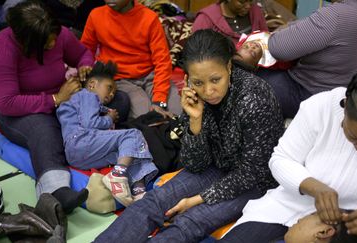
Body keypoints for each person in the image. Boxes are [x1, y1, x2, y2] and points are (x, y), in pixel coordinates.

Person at [94, 29, 284, 242]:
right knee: (154, 201)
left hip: (254, 181)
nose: (209, 91)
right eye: (198, 82)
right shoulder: (193, 95)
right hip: (215, 166)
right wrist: (195, 121)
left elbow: (252, 172)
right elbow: (195, 164)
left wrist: (196, 200)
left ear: (229, 67)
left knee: (189, 222)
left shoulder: (254, 99)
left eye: (215, 80)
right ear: (187, 79)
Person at [220, 66, 357, 242]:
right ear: (345, 108)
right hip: (288, 205)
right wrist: (314, 187)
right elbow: (281, 159)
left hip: (349, 229)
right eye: (353, 137)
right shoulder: (320, 107)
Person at [0, 0, 90, 213]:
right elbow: (6, 102)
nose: (53, 44)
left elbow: (83, 54)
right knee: (44, 130)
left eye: (54, 40)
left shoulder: (58, 34)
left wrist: (85, 66)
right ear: (28, 43)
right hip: (20, 111)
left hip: (60, 99)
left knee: (115, 99)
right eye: (47, 43)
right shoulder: (3, 46)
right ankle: (56, 191)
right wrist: (55, 99)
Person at [56, 61, 158, 206]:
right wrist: (109, 119)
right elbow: (89, 124)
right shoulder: (87, 96)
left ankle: (139, 191)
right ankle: (117, 175)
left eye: (114, 92)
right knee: (133, 134)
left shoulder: (88, 103)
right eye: (109, 88)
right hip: (81, 140)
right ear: (92, 84)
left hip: (78, 155)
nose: (111, 94)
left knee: (131, 154)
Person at [257, 0, 357, 119]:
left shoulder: (337, 14)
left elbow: (277, 48)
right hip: (341, 97)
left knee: (248, 78)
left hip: (310, 95)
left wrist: (281, 30)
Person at [80, 0, 182, 119]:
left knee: (178, 112)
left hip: (152, 76)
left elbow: (162, 62)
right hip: (119, 79)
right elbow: (85, 51)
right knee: (145, 116)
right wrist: (84, 65)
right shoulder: (96, 15)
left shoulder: (149, 18)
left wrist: (159, 101)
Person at [192, 0, 268, 45]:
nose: (248, 6)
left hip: (258, 67)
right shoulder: (205, 19)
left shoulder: (255, 11)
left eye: (251, 0)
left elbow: (265, 39)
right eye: (242, 2)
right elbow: (198, 52)